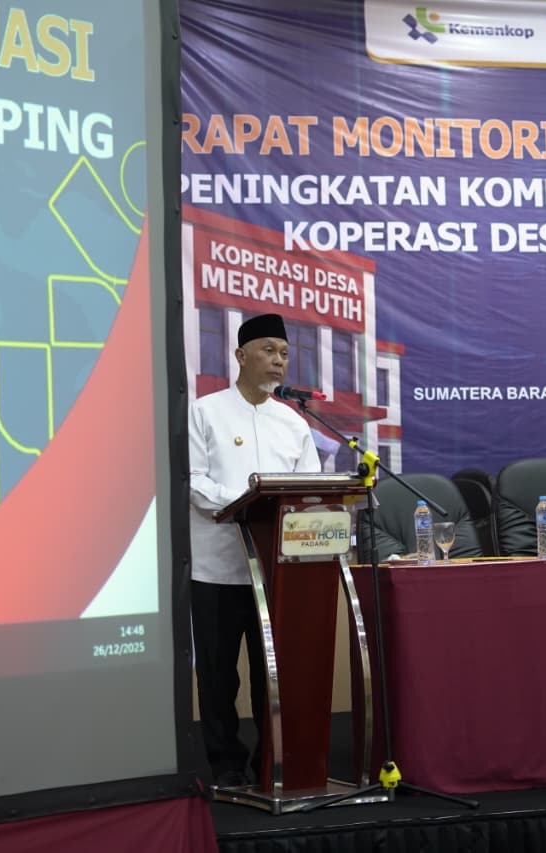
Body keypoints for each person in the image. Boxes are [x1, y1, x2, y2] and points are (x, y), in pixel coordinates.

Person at [188, 312, 320, 788]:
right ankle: (226, 766)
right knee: (220, 676)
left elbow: (309, 490)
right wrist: (247, 503)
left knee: (273, 677)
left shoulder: (293, 423)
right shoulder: (205, 412)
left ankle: (271, 763)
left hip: (275, 572)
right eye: (268, 350)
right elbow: (194, 481)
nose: (279, 361)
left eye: (284, 353)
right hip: (217, 570)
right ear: (241, 355)